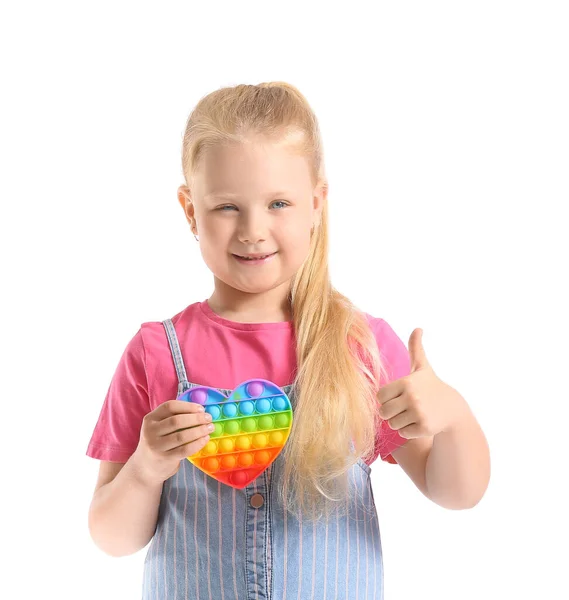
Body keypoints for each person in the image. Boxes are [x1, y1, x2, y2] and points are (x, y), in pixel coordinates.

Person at [86, 82, 490, 600]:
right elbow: (111, 537)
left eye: (279, 202)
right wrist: (145, 468)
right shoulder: (156, 352)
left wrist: (453, 416)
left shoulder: (359, 347)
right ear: (190, 211)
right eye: (227, 206)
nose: (253, 229)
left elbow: (454, 492)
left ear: (317, 204)